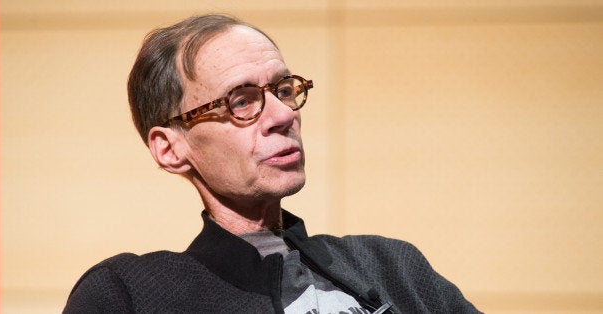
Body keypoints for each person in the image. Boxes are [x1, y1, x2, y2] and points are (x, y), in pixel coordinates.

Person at [64, 14, 480, 313]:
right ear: (171, 149)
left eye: (283, 88)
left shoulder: (392, 266)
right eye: (240, 101)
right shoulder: (133, 293)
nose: (283, 115)